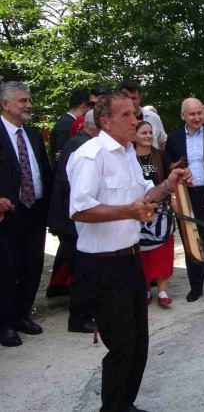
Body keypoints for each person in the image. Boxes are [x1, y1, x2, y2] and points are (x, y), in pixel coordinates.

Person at [68, 92, 190, 412]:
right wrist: (128, 212)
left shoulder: (128, 153)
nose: (135, 120)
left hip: (132, 258)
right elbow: (80, 210)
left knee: (139, 342)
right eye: (126, 115)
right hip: (102, 264)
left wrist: (168, 184)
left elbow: (144, 197)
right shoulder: (90, 155)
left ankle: (125, 404)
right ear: (105, 120)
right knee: (121, 344)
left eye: (135, 114)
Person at [0, 81, 53, 348]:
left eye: (29, 100)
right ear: (5, 104)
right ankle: (5, 324)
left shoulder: (32, 135)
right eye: (22, 101)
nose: (29, 105)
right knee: (7, 270)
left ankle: (22, 315)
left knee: (32, 266)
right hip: (7, 214)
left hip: (35, 210)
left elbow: (43, 170)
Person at [165, 98, 204, 303]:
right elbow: (168, 167)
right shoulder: (173, 138)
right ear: (182, 115)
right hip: (185, 196)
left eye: (199, 113)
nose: (197, 117)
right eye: (192, 114)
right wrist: (174, 193)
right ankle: (195, 287)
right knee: (189, 241)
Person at [48, 110, 99, 333]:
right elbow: (75, 187)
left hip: (67, 217)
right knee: (82, 269)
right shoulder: (82, 146)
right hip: (71, 219)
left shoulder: (77, 142)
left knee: (82, 267)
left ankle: (84, 313)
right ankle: (80, 318)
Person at [134, 121, 175, 306]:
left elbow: (171, 182)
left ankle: (163, 292)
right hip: (138, 212)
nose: (149, 136)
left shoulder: (161, 156)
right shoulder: (128, 157)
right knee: (142, 254)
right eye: (144, 133)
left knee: (162, 252)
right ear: (134, 135)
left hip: (162, 213)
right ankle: (144, 290)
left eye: (150, 132)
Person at [49, 89, 92, 170]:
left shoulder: (64, 121)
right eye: (90, 107)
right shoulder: (67, 124)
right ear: (83, 107)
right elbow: (62, 154)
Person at [119, 80, 167, 149]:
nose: (130, 101)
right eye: (127, 98)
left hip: (152, 159)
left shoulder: (153, 117)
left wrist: (166, 159)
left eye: (133, 98)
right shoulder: (115, 120)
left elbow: (162, 140)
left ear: (140, 97)